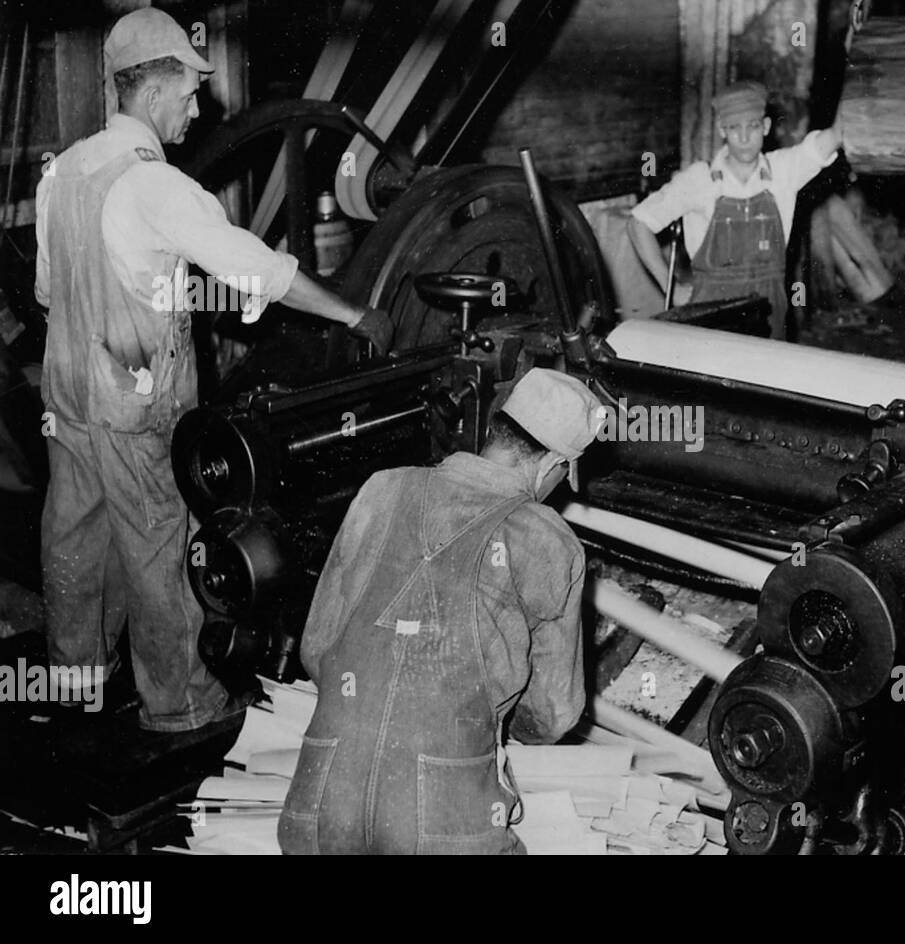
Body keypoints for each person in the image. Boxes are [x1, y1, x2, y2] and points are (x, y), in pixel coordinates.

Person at [34, 8, 395, 732]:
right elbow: (258, 270)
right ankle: (182, 706)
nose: (197, 111)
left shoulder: (64, 173)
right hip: (135, 406)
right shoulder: (155, 187)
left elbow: (49, 291)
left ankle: (74, 688)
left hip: (68, 396)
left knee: (75, 537)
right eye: (190, 94)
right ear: (156, 92)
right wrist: (356, 315)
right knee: (159, 547)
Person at [278, 368, 605, 855]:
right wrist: (483, 734)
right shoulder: (548, 539)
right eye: (563, 475)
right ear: (553, 464)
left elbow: (317, 649)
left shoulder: (379, 489)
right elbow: (555, 714)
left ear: (497, 429)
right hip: (442, 834)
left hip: (315, 816)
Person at [628, 80, 843, 340]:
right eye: (734, 128)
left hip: (769, 307)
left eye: (752, 126)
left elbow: (833, 136)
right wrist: (670, 287)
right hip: (710, 310)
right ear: (721, 129)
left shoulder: (785, 170)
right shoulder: (700, 179)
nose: (743, 138)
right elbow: (638, 224)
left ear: (765, 127)